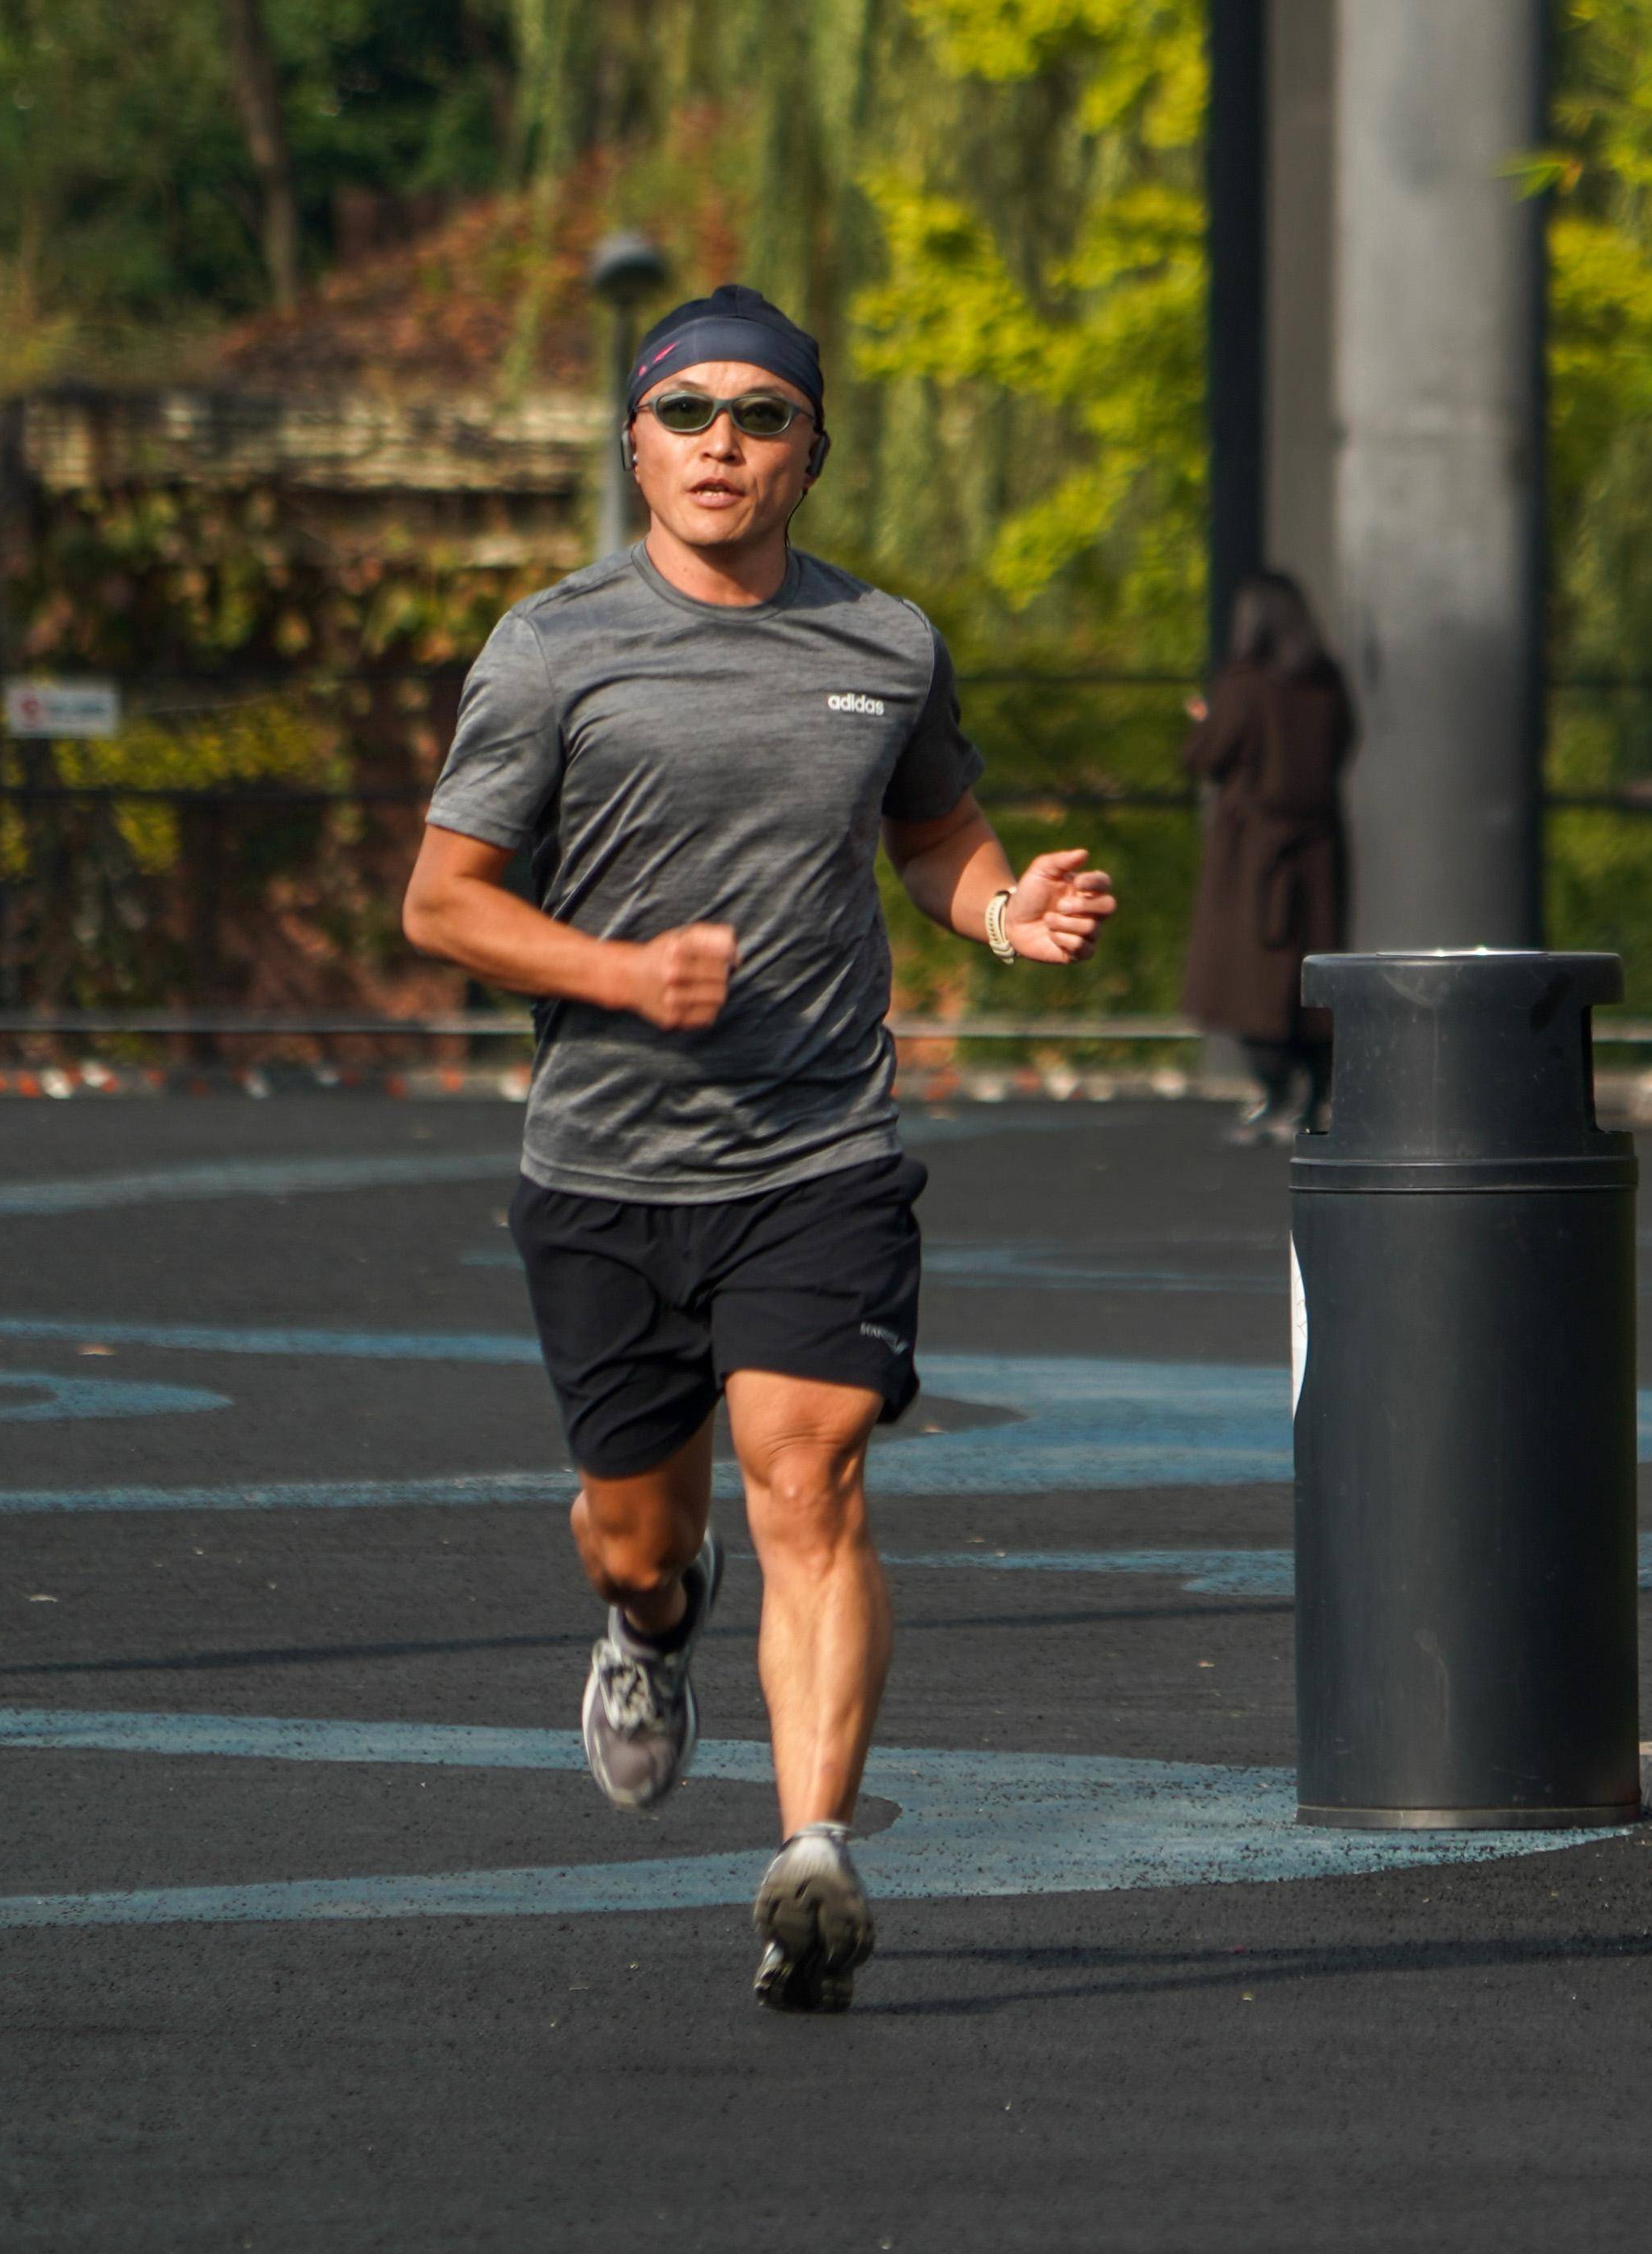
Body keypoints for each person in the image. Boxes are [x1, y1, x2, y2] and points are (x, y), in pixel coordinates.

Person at [399, 282, 1113, 2014]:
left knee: (815, 1477)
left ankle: (812, 1854)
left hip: (819, 1147)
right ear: (637, 440)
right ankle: (652, 1626)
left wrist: (1006, 914)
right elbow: (446, 902)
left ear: (811, 447)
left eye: (762, 415)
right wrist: (623, 972)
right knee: (640, 1530)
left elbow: (940, 834)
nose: (725, 442)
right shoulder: (554, 645)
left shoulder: (887, 645)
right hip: (607, 1162)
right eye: (690, 411)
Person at [1178, 572, 1355, 1142]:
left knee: (1249, 976)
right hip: (1318, 851)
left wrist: (1204, 724)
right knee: (1312, 973)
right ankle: (1317, 1097)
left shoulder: (1244, 687)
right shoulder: (1326, 684)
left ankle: (1275, 1093)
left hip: (1252, 855)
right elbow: (1345, 744)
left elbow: (1207, 755)